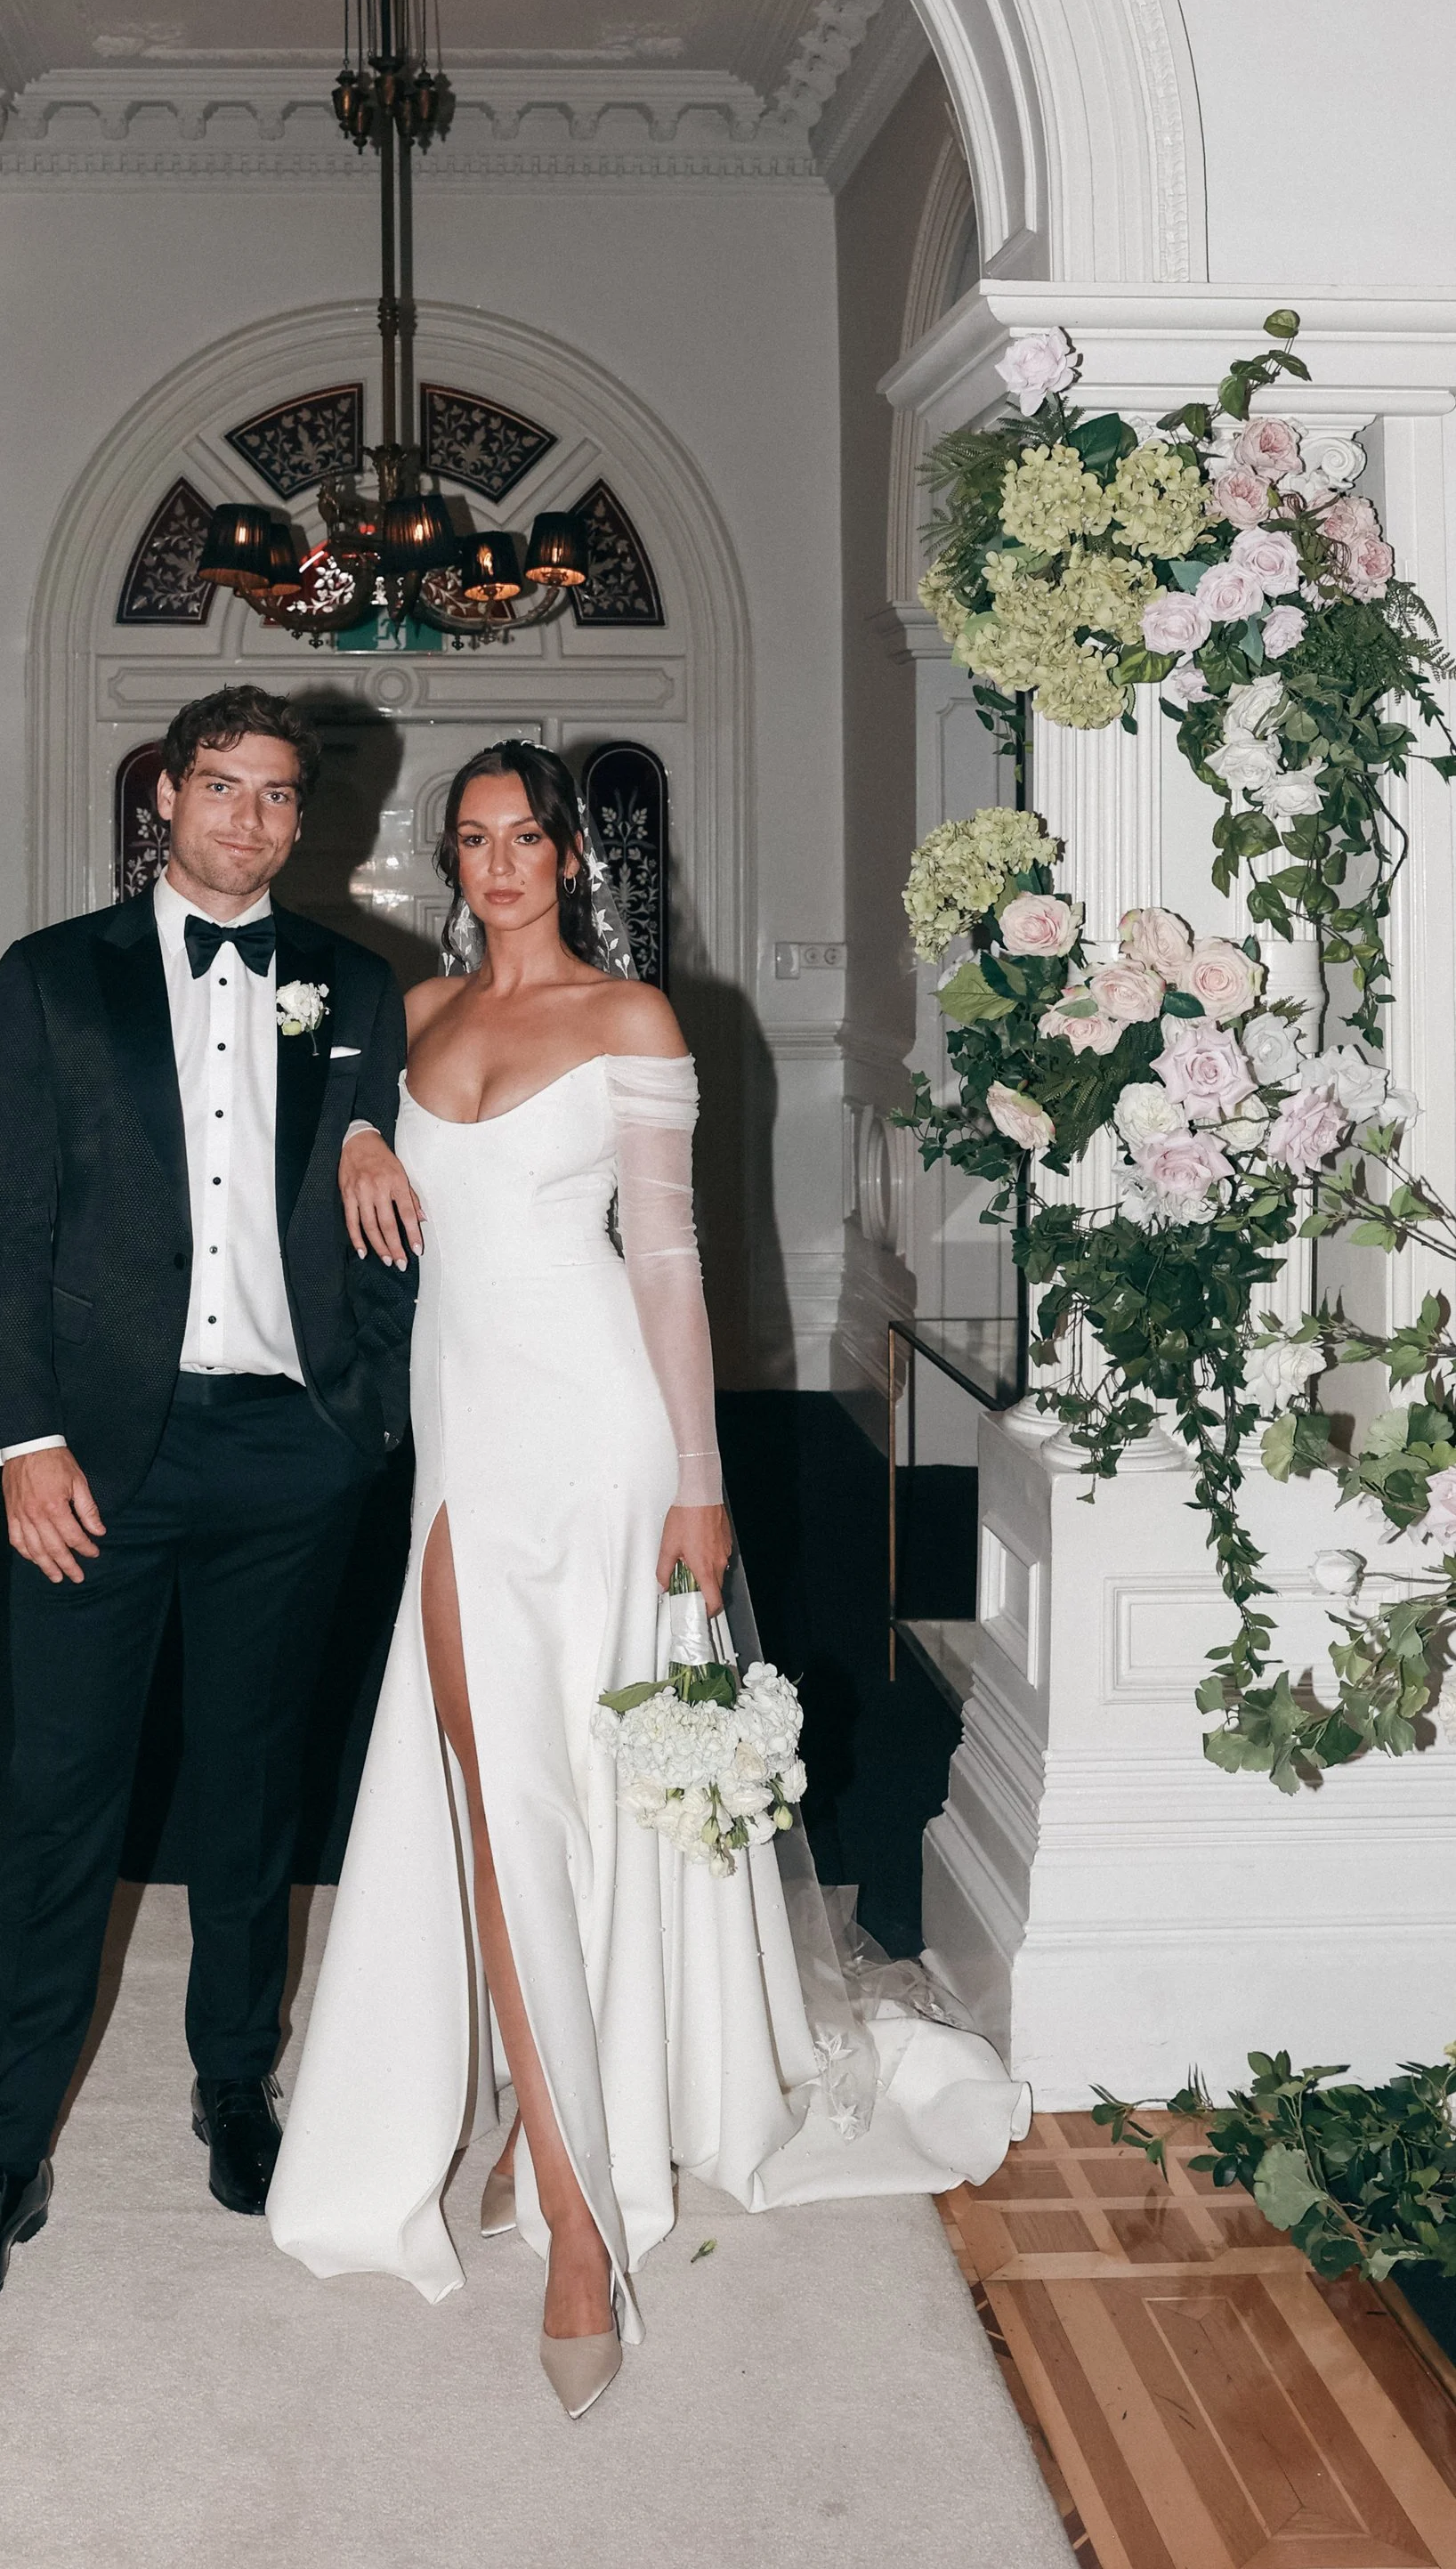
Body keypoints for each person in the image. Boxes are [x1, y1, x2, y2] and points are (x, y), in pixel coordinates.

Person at [267, 742, 1025, 2417]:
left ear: (568, 849)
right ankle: (546, 2110)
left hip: (604, 1444)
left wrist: (701, 1480)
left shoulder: (633, 1022)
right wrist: (353, 1152)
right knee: (486, 1785)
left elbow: (672, 1264)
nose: (500, 865)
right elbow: (323, 1110)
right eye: (472, 842)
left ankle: (579, 2222)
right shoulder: (411, 1022)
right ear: (446, 862)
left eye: (526, 835)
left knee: (576, 1792)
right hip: (461, 1452)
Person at [0, 685, 413, 2333]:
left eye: (278, 796)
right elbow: (10, 1224)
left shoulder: (352, 986)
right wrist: (19, 1440)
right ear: (166, 795)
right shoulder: (56, 975)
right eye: (222, 787)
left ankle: (233, 2089)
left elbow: (404, 1180)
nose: (250, 820)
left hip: (291, 1452)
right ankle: (1, 2158)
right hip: (97, 1461)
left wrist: (370, 1413)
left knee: (253, 1795)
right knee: (66, 1799)